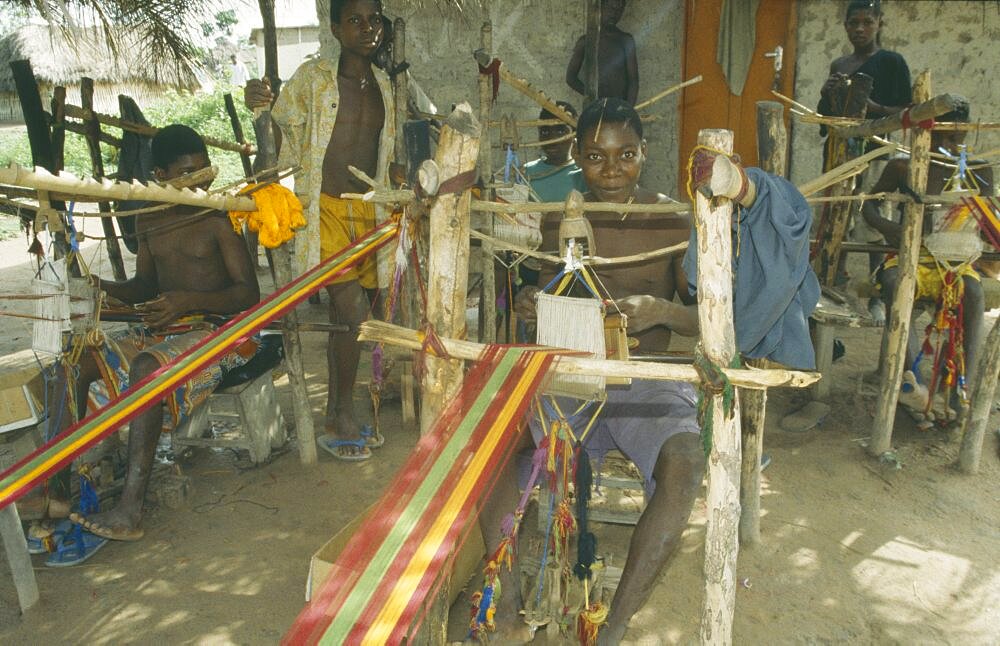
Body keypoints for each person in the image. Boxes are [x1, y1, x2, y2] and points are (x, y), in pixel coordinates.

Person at [493, 98, 700, 644]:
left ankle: (617, 621)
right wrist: (529, 302)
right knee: (491, 453)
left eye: (625, 154)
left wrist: (662, 313)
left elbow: (710, 319)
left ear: (644, 153)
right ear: (576, 157)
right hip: (571, 379)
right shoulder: (562, 221)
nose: (611, 169)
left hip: (648, 378)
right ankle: (508, 613)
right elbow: (529, 292)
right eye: (595, 156)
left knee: (683, 469)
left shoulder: (672, 219)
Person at [67, 124, 261, 542]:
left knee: (144, 369)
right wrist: (103, 290)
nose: (200, 182)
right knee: (77, 361)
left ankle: (130, 509)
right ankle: (54, 487)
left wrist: (189, 301)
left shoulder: (215, 219)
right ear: (160, 175)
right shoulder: (150, 221)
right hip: (166, 329)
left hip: (217, 333)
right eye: (187, 173)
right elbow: (146, 287)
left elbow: (249, 293)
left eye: (204, 172)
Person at [245, 0, 394, 461]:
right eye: (356, 20)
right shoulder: (313, 79)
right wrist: (260, 107)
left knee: (349, 322)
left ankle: (334, 409)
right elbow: (278, 133)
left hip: (367, 212)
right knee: (352, 316)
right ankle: (344, 411)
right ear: (335, 28)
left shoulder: (386, 85)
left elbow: (382, 151)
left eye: (374, 20)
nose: (367, 28)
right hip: (324, 211)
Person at [862, 102, 992, 425]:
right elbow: (869, 206)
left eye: (959, 139)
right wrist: (894, 230)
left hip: (956, 262)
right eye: (946, 138)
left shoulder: (978, 170)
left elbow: (988, 219)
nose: (952, 146)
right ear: (929, 132)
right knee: (895, 285)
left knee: (974, 295)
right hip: (912, 256)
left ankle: (960, 390)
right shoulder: (903, 168)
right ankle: (909, 381)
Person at [818, 0, 912, 322]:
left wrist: (869, 105)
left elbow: (904, 113)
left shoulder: (891, 62)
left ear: (879, 24)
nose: (859, 29)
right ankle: (833, 287)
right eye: (853, 23)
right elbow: (827, 118)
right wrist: (826, 92)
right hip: (841, 155)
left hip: (876, 154)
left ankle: (878, 296)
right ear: (845, 26)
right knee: (837, 219)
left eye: (866, 22)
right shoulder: (840, 64)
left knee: (874, 218)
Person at [565, 0, 638, 105]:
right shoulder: (586, 41)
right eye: (610, 8)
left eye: (619, 10)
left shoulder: (625, 40)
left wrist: (628, 110)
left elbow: (633, 81)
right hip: (594, 107)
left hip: (619, 105)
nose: (614, 13)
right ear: (600, 8)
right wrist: (592, 95)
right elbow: (570, 78)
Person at [523, 102, 588, 203]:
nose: (552, 139)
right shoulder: (527, 171)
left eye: (561, 132)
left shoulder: (583, 173)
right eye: (545, 132)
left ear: (575, 135)